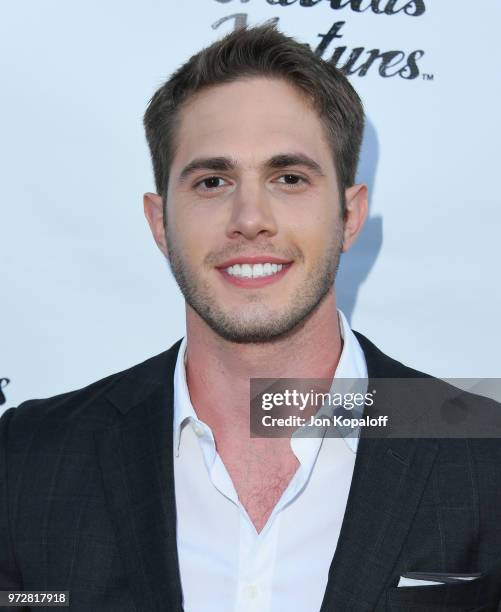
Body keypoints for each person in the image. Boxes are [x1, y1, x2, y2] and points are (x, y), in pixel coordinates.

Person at [1, 24, 500, 612]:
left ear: (349, 214)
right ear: (160, 223)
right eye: (213, 181)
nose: (249, 218)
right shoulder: (28, 458)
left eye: (289, 178)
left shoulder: (483, 451)